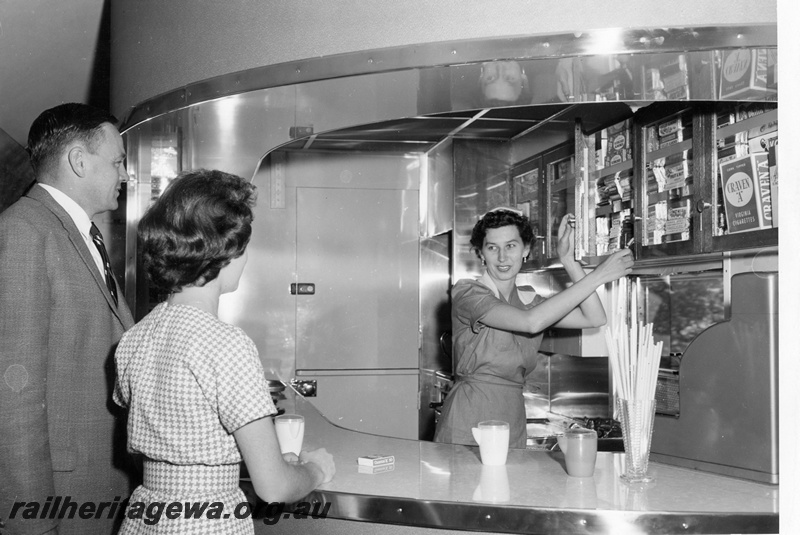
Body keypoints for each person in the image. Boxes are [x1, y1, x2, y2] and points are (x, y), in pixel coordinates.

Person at [113, 169, 335, 534]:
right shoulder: (227, 344)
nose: (246, 260)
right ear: (226, 254)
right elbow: (274, 488)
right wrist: (313, 470)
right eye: (245, 248)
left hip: (146, 516)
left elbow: (171, 444)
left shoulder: (135, 338)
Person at [0, 103, 135, 535]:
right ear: (78, 160)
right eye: (117, 162)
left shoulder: (77, 233)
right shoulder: (24, 231)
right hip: (61, 501)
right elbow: (13, 398)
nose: (125, 175)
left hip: (96, 489)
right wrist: (32, 524)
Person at [434, 209, 633, 448]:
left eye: (511, 246)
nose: (502, 257)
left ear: (526, 249)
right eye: (492, 247)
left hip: (512, 417)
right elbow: (531, 323)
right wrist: (599, 275)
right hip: (469, 414)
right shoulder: (468, 292)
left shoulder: (531, 301)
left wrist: (569, 261)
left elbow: (595, 317)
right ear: (481, 254)